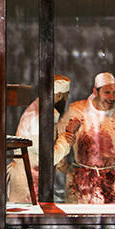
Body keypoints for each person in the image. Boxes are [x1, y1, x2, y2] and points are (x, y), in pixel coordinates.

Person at [53, 72, 115, 204]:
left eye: (114, 93)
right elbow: (59, 133)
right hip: (81, 182)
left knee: (111, 222)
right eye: (107, 92)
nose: (112, 97)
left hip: (113, 182)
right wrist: (61, 165)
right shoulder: (77, 109)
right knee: (80, 222)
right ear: (95, 91)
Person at [9, 74, 70, 203]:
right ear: (58, 95)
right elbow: (48, 158)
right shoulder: (38, 117)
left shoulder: (43, 112)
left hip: (33, 180)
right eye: (66, 96)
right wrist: (67, 137)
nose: (66, 99)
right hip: (28, 184)